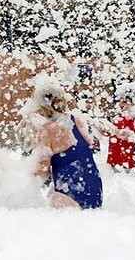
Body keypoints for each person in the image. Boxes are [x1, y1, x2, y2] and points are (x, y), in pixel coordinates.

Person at [17, 80, 103, 209]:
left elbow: (41, 171)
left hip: (71, 193)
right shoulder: (76, 120)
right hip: (94, 189)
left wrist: (18, 183)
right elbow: (87, 148)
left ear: (42, 106)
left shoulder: (47, 130)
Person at [104, 92, 135, 171]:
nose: (122, 104)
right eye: (121, 102)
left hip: (128, 159)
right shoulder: (117, 118)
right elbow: (109, 133)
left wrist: (124, 133)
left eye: (125, 102)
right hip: (114, 157)